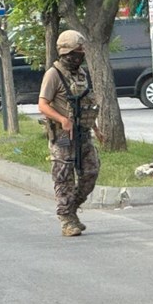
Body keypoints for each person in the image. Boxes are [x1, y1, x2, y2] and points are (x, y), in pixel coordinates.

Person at [37, 30, 100, 237]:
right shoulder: (53, 75)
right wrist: (62, 119)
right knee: (64, 178)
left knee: (91, 172)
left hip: (83, 133)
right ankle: (66, 220)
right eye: (76, 51)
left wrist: (96, 128)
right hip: (62, 137)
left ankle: (71, 210)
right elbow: (42, 105)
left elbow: (86, 102)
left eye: (81, 51)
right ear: (66, 53)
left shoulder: (81, 74)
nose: (79, 55)